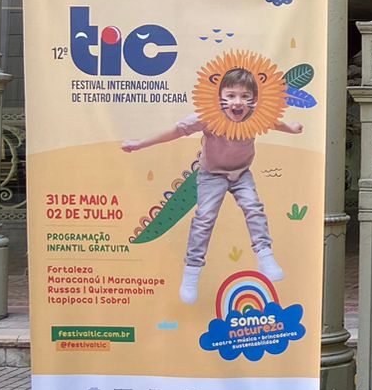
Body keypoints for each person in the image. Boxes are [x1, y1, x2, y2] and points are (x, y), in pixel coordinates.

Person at [121, 58, 302, 303]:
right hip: (211, 175)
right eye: (231, 95)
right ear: (220, 96)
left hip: (241, 174)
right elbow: (175, 131)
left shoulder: (255, 115)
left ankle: (264, 255)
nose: (237, 102)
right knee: (204, 219)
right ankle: (191, 272)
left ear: (254, 99)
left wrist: (291, 128)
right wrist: (139, 144)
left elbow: (274, 121)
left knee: (253, 208)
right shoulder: (207, 116)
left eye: (245, 96)